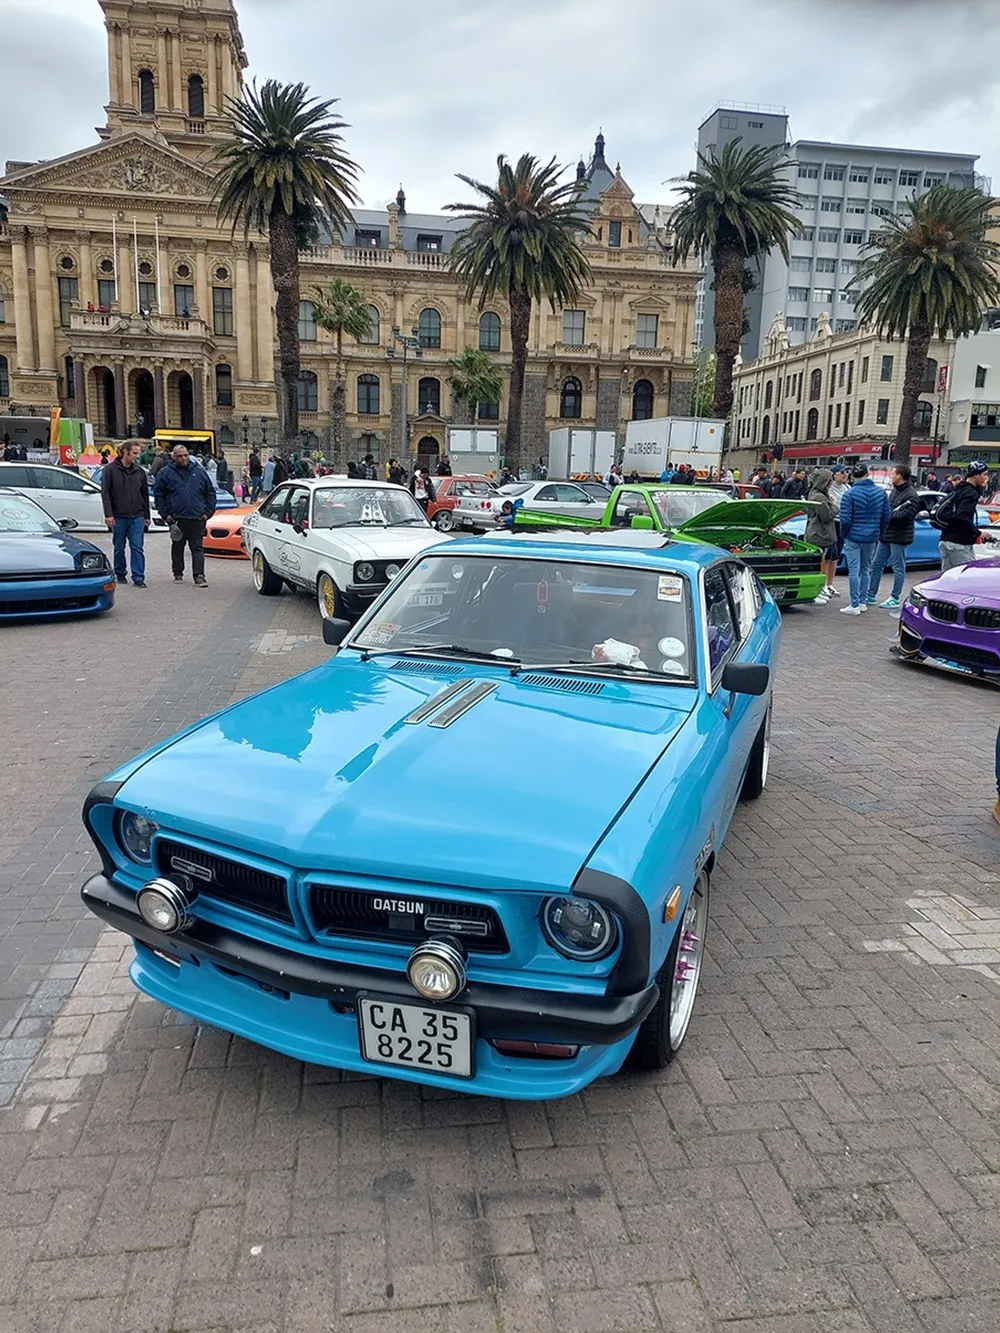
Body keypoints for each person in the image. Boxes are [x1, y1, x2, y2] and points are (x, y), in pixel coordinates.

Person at [154, 444, 217, 588]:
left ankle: (199, 576)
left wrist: (208, 512)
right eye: (180, 456)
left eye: (185, 455)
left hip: (197, 516)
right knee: (178, 546)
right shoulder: (165, 473)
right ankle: (178, 573)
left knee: (197, 547)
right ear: (173, 457)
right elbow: (159, 495)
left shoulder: (199, 471)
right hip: (176, 517)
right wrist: (165, 514)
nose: (183, 458)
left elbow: (210, 492)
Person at [866, 463, 923, 608]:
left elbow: (906, 516)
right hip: (886, 535)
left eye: (893, 473)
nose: (891, 475)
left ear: (900, 476)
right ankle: (871, 594)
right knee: (876, 564)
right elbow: (890, 509)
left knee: (898, 567)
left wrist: (888, 515)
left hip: (899, 536)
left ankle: (895, 597)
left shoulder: (911, 495)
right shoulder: (895, 491)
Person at [838, 463, 890, 614]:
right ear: (868, 474)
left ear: (853, 476)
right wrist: (879, 531)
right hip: (871, 536)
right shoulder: (881, 493)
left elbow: (845, 519)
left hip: (853, 536)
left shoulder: (849, 494)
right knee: (865, 569)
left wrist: (844, 534)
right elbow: (886, 516)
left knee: (853, 570)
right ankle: (862, 601)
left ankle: (854, 604)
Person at [101, 441, 151, 587]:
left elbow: (144, 494)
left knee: (137, 547)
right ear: (125, 452)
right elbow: (105, 493)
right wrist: (108, 514)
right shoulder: (110, 470)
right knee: (119, 547)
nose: (137, 456)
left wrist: (146, 516)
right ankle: (120, 573)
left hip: (137, 515)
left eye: (138, 453)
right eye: (134, 453)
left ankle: (138, 577)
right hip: (118, 515)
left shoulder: (140, 472)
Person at [937, 460, 996, 570]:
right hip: (960, 543)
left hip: (946, 539)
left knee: (948, 577)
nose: (986, 478)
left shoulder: (959, 489)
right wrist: (978, 533)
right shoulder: (970, 493)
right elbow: (962, 517)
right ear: (976, 475)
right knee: (967, 575)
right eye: (984, 474)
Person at [804, 468, 838, 604]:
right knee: (818, 564)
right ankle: (815, 592)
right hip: (819, 534)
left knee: (821, 563)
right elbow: (827, 516)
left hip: (818, 533)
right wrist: (834, 506)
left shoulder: (816, 494)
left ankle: (818, 590)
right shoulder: (819, 497)